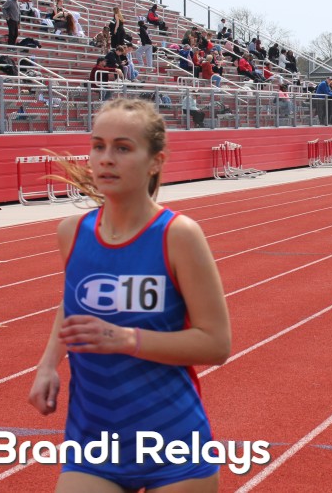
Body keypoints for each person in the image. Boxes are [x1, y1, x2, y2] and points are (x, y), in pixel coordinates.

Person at [28, 99, 231, 491]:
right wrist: (48, 364)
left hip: (173, 444)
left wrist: (125, 339)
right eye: (98, 146)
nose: (106, 158)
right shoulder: (72, 233)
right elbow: (73, 301)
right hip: (93, 441)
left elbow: (216, 344)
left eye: (122, 148)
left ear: (155, 161)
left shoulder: (178, 235)